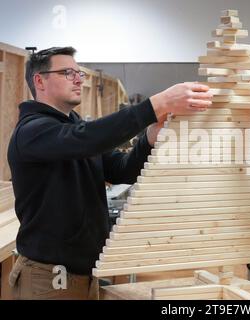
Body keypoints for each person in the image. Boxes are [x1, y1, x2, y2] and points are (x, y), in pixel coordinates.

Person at [7, 46, 213, 299]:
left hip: (84, 274)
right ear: (40, 80)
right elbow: (85, 139)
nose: (78, 79)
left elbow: (122, 170)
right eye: (67, 72)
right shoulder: (32, 131)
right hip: (48, 279)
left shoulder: (75, 128)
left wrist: (149, 138)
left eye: (79, 73)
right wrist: (157, 104)